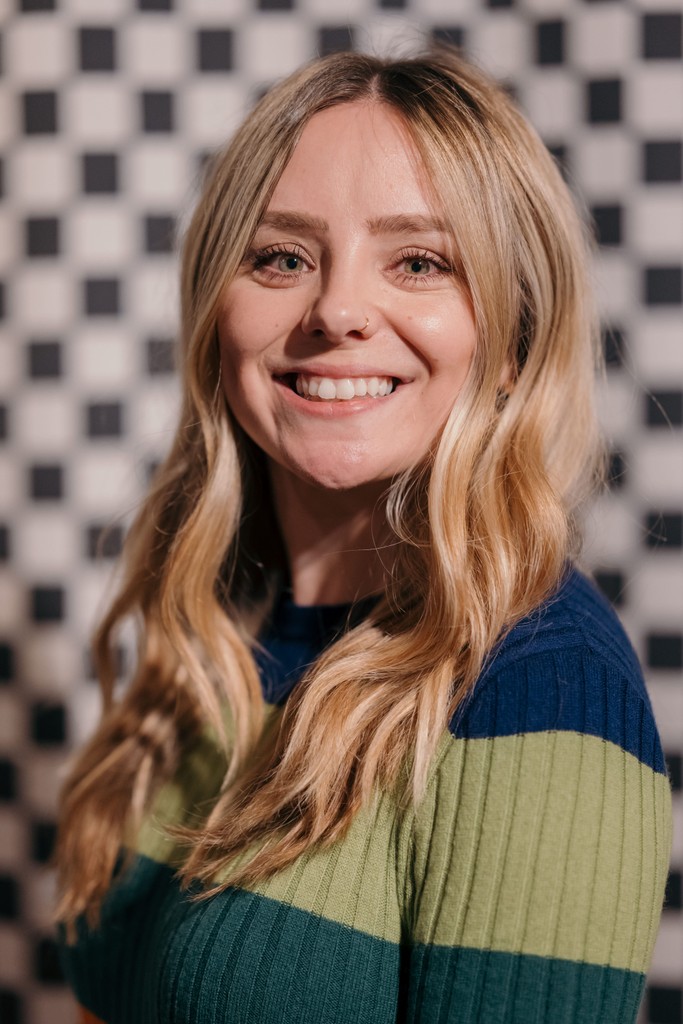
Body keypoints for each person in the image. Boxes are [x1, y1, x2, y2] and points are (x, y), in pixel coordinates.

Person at [55, 47, 671, 1024]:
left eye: (418, 260)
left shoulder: (542, 682)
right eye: (281, 256)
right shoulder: (215, 630)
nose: (336, 310)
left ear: (511, 338)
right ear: (218, 311)